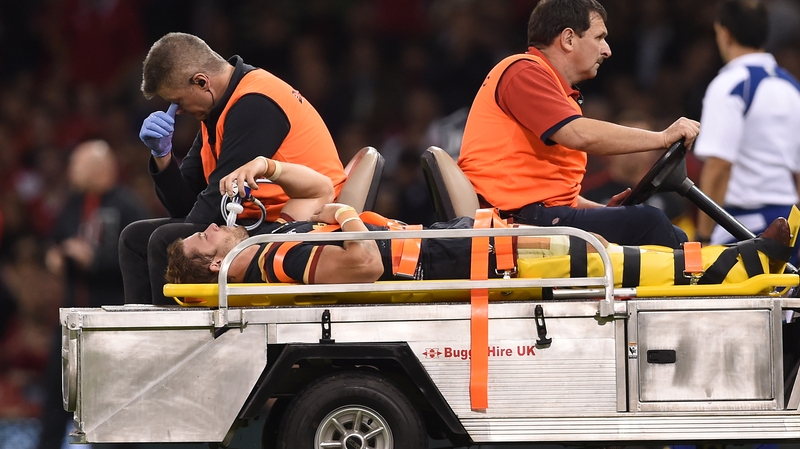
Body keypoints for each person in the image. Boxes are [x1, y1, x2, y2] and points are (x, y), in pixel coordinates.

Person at [119, 32, 347, 305]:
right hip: (254, 220)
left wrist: (192, 236)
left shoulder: (255, 103)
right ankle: (137, 334)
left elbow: (215, 203)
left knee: (166, 241)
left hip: (299, 221)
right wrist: (162, 155)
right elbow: (184, 206)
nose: (176, 111)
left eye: (178, 101)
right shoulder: (218, 109)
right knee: (134, 238)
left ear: (202, 82)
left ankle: (170, 342)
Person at [456, 0, 700, 249]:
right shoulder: (522, 72)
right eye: (599, 37)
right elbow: (578, 134)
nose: (607, 51)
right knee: (650, 222)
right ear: (568, 39)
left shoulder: (557, 91)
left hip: (530, 215)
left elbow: (550, 192)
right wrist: (662, 138)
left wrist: (603, 210)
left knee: (671, 232)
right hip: (513, 219)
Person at [165, 202, 794, 289]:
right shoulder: (273, 259)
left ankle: (741, 261)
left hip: (462, 246)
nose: (211, 224)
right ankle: (737, 268)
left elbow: (312, 188)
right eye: (203, 235)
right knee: (615, 261)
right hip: (465, 257)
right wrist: (346, 216)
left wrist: (272, 166)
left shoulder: (271, 241)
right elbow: (359, 264)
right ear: (216, 261)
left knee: (614, 249)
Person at [39, 140, 150, 449]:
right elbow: (55, 238)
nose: (71, 172)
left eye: (77, 165)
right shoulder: (73, 203)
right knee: (56, 396)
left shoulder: (128, 206)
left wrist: (96, 259)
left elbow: (142, 259)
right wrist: (55, 254)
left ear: (98, 168)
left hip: (110, 322)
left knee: (116, 402)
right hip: (71, 319)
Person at [694, 0, 800, 265]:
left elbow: (719, 166)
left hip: (743, 228)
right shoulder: (792, 87)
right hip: (791, 225)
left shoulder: (730, 84)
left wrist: (702, 236)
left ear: (724, 32)